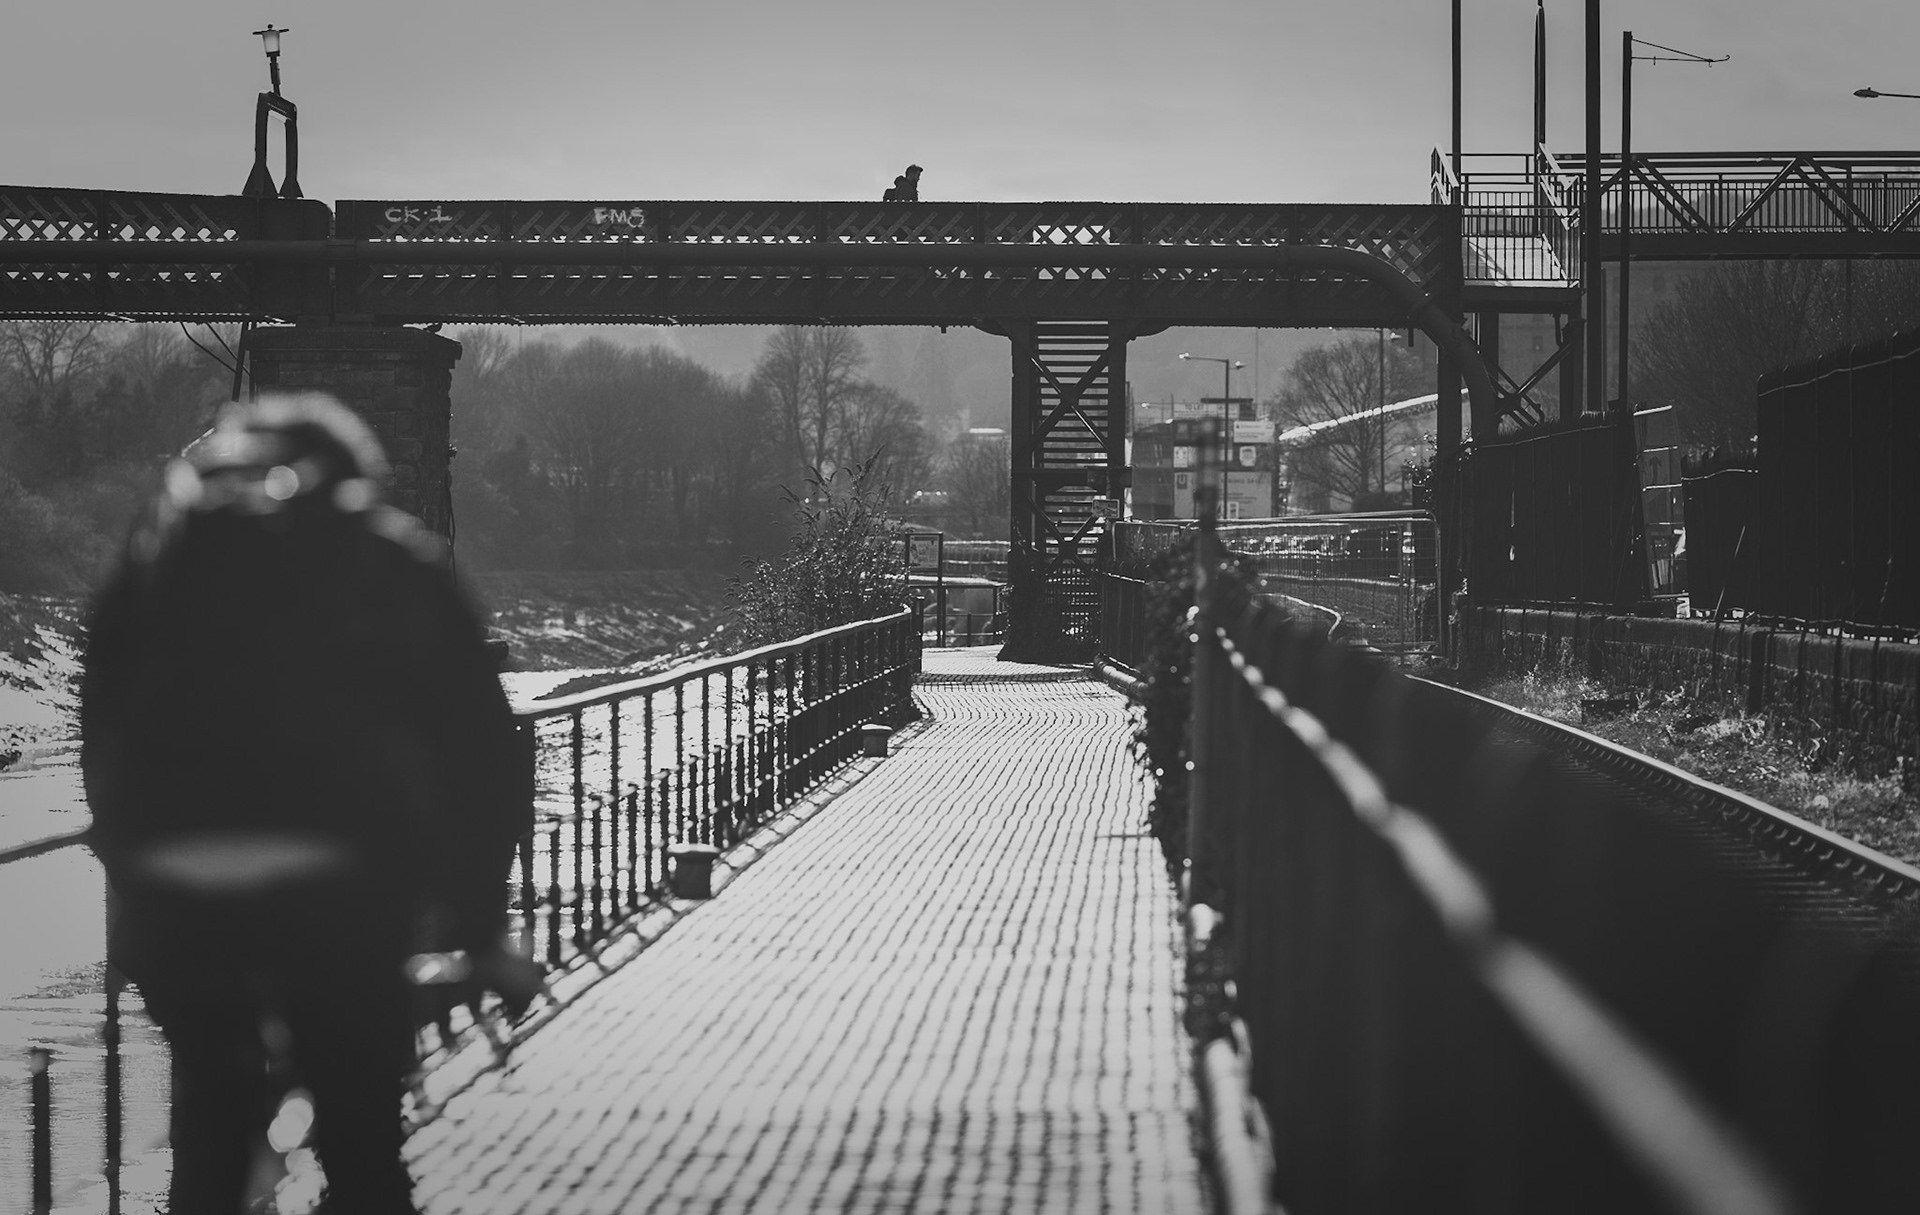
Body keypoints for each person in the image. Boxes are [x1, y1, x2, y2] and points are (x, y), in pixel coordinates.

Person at [82, 393, 539, 1215]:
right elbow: (481, 756)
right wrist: (478, 929)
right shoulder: (390, 558)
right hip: (340, 887)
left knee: (210, 1133)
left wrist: (142, 880)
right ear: (358, 478)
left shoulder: (160, 559)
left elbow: (103, 735)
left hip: (178, 887)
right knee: (362, 1138)